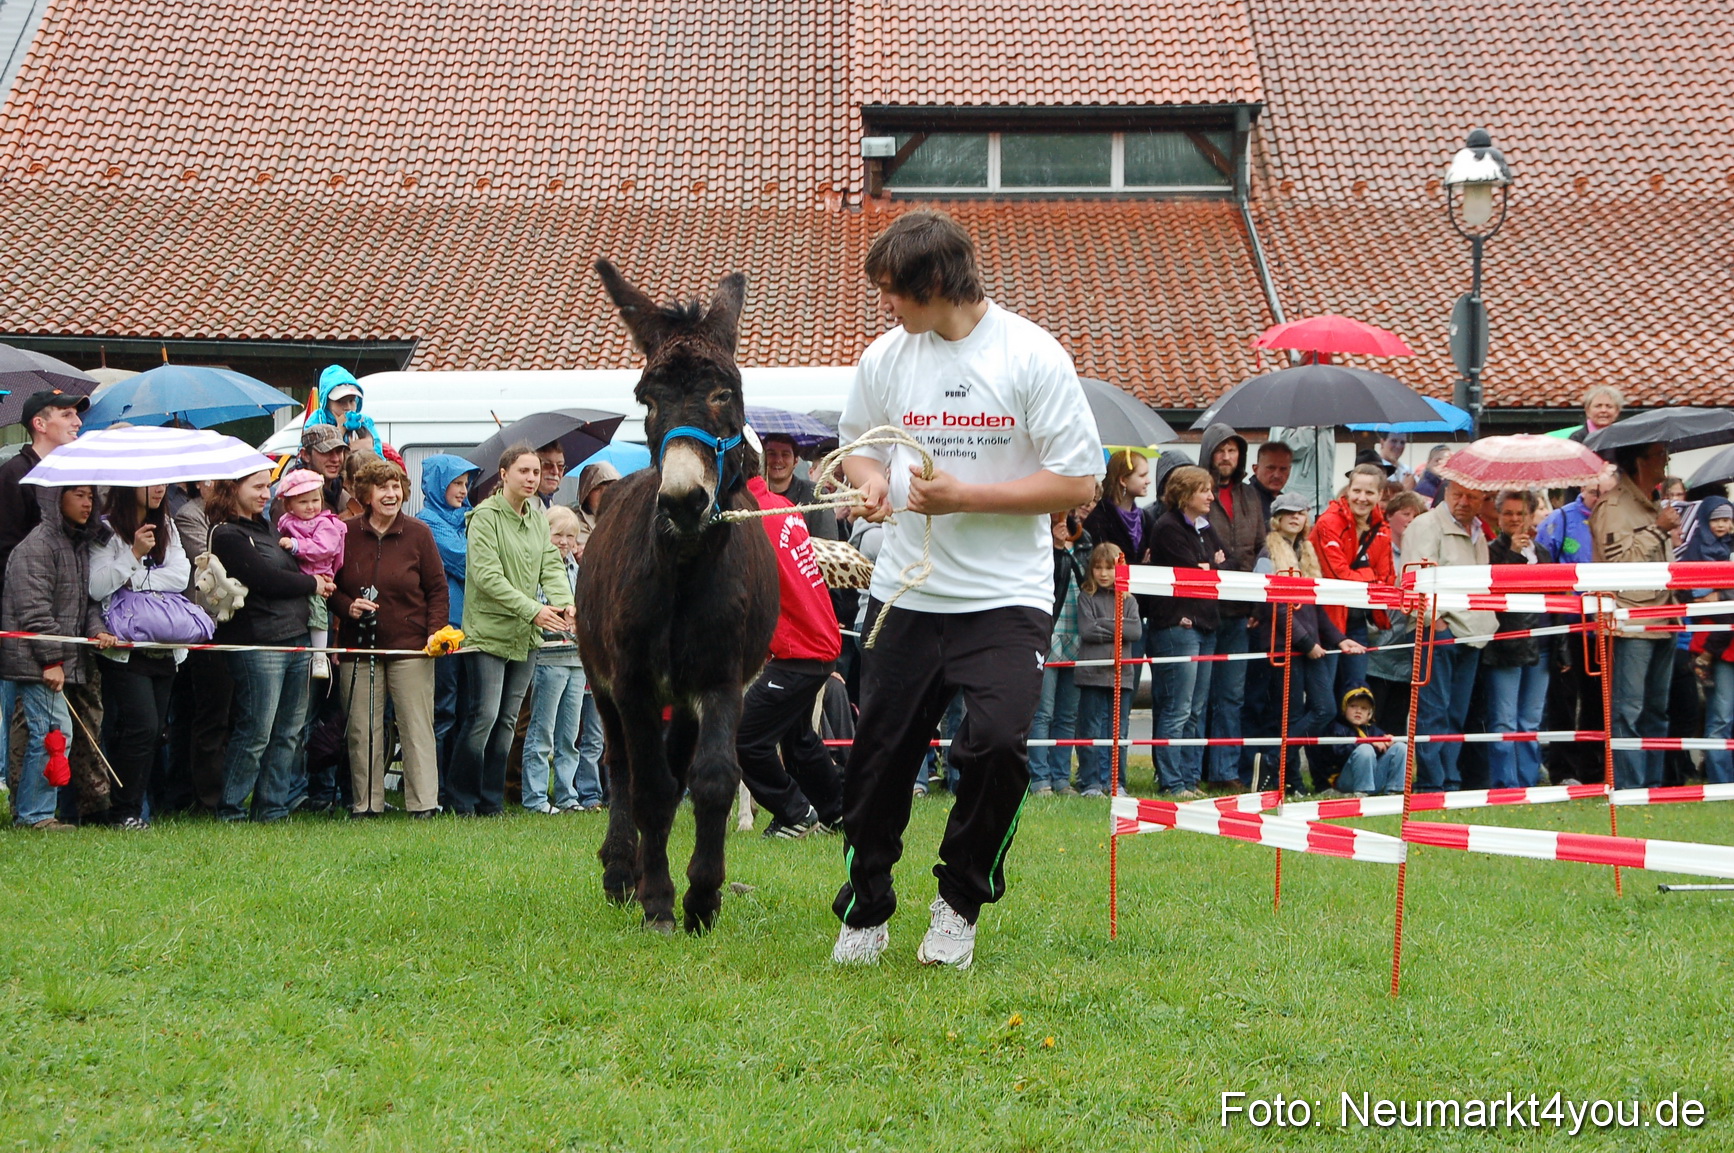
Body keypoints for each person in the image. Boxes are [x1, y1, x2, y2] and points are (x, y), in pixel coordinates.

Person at [829, 210, 1103, 969]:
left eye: (895, 294)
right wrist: (874, 485)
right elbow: (859, 449)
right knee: (879, 762)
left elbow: (1080, 479)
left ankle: (957, 907)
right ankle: (866, 910)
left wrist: (967, 497)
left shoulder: (1032, 355)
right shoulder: (886, 356)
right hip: (903, 592)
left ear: (939, 285)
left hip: (1004, 596)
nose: (887, 308)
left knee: (998, 750)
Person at [449, 444, 574, 817]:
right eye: (524, 471)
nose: (532, 478)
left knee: (506, 721)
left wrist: (566, 601)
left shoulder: (538, 518)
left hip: (525, 636)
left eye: (536, 472)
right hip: (489, 634)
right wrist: (534, 610)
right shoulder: (484, 517)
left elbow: (551, 563)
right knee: (483, 717)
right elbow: (487, 577)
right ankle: (461, 799)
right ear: (503, 475)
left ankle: (491, 801)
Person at [209, 470, 331, 822]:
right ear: (233, 488)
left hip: (297, 638)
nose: (267, 493)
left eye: (267, 486)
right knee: (256, 732)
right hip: (258, 643)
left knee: (289, 732)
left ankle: (272, 808)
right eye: (258, 486)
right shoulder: (226, 534)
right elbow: (264, 580)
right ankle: (231, 808)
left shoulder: (267, 527)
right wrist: (312, 583)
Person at [331, 456, 448, 818]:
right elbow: (328, 585)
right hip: (359, 646)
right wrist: (347, 605)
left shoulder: (419, 533)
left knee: (416, 726)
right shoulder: (345, 533)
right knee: (362, 730)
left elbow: (438, 590)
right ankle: (367, 804)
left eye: (396, 486)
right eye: (383, 486)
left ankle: (424, 804)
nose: (391, 493)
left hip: (412, 646)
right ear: (366, 494)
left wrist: (435, 635)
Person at [735, 466, 845, 837]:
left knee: (743, 738)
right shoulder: (779, 505)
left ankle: (796, 812)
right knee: (798, 741)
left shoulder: (747, 519)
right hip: (815, 644)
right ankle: (839, 812)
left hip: (799, 651)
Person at [2, 485, 115, 830]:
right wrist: (52, 662)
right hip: (36, 661)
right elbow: (34, 611)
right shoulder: (36, 547)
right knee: (52, 733)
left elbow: (85, 603)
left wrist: (96, 630)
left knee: (54, 734)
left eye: (91, 497)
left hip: (61, 659)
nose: (87, 503)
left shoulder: (75, 544)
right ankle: (35, 815)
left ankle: (36, 812)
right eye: (78, 495)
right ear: (56, 498)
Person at [90, 485, 197, 829]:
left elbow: (181, 576)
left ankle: (133, 808)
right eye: (149, 481)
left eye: (162, 481)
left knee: (153, 731)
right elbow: (97, 585)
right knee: (141, 726)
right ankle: (122, 810)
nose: (158, 488)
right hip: (124, 647)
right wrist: (134, 554)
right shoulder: (106, 530)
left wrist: (138, 579)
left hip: (164, 644)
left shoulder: (167, 524)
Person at [1250, 492, 1364, 792]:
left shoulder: (1306, 551)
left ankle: (1275, 762)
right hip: (1283, 648)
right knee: (1290, 714)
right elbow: (1271, 606)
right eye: (1288, 512)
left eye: (1300, 512)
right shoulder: (1267, 555)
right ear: (1277, 518)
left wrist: (1340, 640)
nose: (1295, 517)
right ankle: (1291, 781)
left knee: (1323, 709)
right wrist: (1307, 642)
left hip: (1310, 647)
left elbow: (1316, 610)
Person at [0, 391, 85, 791]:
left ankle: (33, 803)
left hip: (61, 617)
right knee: (34, 722)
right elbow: (10, 550)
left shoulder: (73, 471)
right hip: (24, 619)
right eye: (67, 414)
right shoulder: (15, 472)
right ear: (39, 422)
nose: (77, 422)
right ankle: (28, 805)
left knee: (46, 725)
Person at [1593, 441, 1679, 789]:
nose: (1666, 461)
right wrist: (1658, 529)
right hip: (1631, 620)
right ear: (1639, 462)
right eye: (1660, 455)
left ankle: (1653, 786)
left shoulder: (1653, 503)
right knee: (1628, 711)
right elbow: (1619, 564)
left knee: (1657, 710)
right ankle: (1630, 787)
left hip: (1664, 616)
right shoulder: (1612, 506)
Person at [1404, 480, 1497, 791]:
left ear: (1482, 498)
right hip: (1442, 629)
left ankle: (1450, 779)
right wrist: (1436, 621)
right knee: (1434, 710)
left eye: (1472, 495)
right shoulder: (1425, 525)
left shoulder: (1479, 531)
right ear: (1445, 492)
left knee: (1455, 712)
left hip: (1473, 632)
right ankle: (1432, 782)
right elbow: (1413, 577)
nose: (1464, 501)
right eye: (1458, 494)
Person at [1146, 466, 1225, 798]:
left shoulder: (1204, 527)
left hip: (1206, 624)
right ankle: (1172, 780)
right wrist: (1208, 565)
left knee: (1196, 707)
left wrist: (1209, 565)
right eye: (1203, 490)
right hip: (1178, 627)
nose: (1210, 496)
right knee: (1176, 706)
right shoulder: (1167, 528)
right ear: (1184, 493)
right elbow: (1191, 573)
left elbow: (1225, 562)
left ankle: (1190, 777)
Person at [520, 505, 598, 814]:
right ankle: (536, 796)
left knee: (569, 736)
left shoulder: (578, 571)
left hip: (577, 660)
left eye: (570, 536)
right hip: (549, 657)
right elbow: (538, 606)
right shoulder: (537, 570)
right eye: (557, 535)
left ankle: (567, 795)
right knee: (542, 731)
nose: (564, 541)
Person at [1198, 424, 1262, 791]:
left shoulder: (1250, 496)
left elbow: (1259, 548)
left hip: (1241, 611)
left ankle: (1224, 771)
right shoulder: (1197, 492)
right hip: (1205, 610)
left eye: (1233, 451)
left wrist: (1257, 600)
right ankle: (1194, 770)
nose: (1226, 457)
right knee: (1199, 697)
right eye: (1220, 450)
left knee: (1231, 696)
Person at [416, 454, 480, 804]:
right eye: (456, 483)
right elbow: (469, 561)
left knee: (468, 711)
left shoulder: (466, 520)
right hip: (444, 631)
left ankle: (459, 789)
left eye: (466, 484)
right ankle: (437, 789)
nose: (462, 490)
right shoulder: (427, 523)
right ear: (439, 485)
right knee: (444, 709)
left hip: (471, 629)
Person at [1482, 491, 1555, 788]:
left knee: (1531, 722)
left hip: (1543, 644)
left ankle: (1527, 782)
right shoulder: (1490, 551)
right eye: (1508, 513)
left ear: (1532, 515)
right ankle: (1505, 784)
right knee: (1504, 721)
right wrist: (1512, 553)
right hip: (1506, 646)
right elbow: (1495, 593)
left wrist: (1561, 648)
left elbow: (1556, 601)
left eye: (1521, 513)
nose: (1515, 519)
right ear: (1498, 517)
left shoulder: (1544, 553)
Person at [168, 478, 231, 813]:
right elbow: (210, 565)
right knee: (207, 715)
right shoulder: (190, 516)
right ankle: (202, 797)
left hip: (240, 625)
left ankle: (221, 791)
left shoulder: (244, 516)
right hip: (206, 625)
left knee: (229, 715)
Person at [1312, 462, 1395, 696]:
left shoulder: (1382, 528)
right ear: (1348, 491)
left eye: (1369, 492)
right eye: (1357, 490)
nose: (1362, 498)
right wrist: (1369, 576)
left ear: (1380, 495)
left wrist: (1365, 580)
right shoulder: (1327, 523)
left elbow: (1387, 580)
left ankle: (1349, 735)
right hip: (1325, 621)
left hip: (1358, 621)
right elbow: (1338, 578)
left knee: (1355, 696)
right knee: (1324, 702)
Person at [1029, 503, 1090, 796]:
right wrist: (1055, 547)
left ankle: (1061, 778)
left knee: (1068, 714)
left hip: (1076, 638)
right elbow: (1049, 581)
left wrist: (1070, 545)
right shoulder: (1039, 545)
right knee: (1043, 712)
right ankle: (1040, 779)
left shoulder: (1084, 542)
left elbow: (1087, 582)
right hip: (1049, 636)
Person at [1073, 542, 1140, 797]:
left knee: (1118, 731)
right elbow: (1087, 631)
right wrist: (1118, 626)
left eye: (1109, 568)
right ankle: (1090, 782)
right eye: (1098, 568)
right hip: (1091, 675)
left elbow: (1134, 631)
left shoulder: (1130, 600)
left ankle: (1115, 782)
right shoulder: (1086, 597)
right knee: (1090, 730)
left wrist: (1105, 625)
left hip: (1122, 676)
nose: (1103, 574)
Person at [275, 469, 346, 679]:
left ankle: (319, 656)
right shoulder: (285, 522)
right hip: (295, 577)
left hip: (318, 574)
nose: (311, 506)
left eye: (315, 500)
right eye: (303, 502)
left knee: (318, 612)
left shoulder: (326, 523)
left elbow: (323, 548)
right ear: (289, 505)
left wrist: (296, 545)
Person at [1366, 491, 1428, 736]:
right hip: (1379, 647)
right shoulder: (1379, 548)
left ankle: (1395, 770)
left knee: (1397, 723)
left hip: (1408, 652)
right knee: (1373, 717)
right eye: (1406, 514)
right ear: (1388, 516)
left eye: (1417, 515)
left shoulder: (1422, 553)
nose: (1412, 520)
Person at [1687, 497, 1734, 784]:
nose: (1723, 525)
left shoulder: (1729, 548)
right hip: (1716, 648)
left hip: (1724, 642)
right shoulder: (1696, 551)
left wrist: (1724, 594)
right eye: (1717, 519)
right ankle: (1721, 783)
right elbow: (1696, 594)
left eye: (1727, 519)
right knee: (1721, 715)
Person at [1314, 686, 1407, 796]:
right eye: (1353, 706)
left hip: (1373, 780)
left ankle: (1395, 790)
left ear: (1369, 714)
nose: (1358, 711)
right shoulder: (1336, 728)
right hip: (1346, 781)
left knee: (1400, 747)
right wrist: (1369, 744)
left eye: (1364, 708)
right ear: (1344, 708)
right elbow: (1338, 754)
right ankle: (1361, 793)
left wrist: (1389, 743)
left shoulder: (1372, 729)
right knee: (1365, 749)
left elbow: (1381, 747)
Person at [762, 432, 839, 542]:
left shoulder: (817, 496)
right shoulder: (752, 496)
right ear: (763, 459)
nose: (778, 460)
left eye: (785, 454)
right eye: (771, 454)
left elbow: (828, 544)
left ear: (796, 461)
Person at [287, 424, 350, 516]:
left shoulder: (343, 496)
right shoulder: (292, 497)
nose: (335, 459)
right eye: (326, 452)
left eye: (339, 451)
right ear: (305, 455)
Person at [574, 460, 620, 549]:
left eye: (611, 487)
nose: (604, 493)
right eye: (597, 489)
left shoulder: (626, 519)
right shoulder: (573, 520)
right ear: (586, 493)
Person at [1250, 440, 1292, 521]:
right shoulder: (1245, 500)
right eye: (1271, 468)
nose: (1277, 475)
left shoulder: (1288, 503)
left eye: (1283, 469)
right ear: (1255, 469)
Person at [534, 442, 566, 509]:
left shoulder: (551, 504)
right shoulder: (522, 505)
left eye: (560, 466)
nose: (555, 472)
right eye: (547, 465)